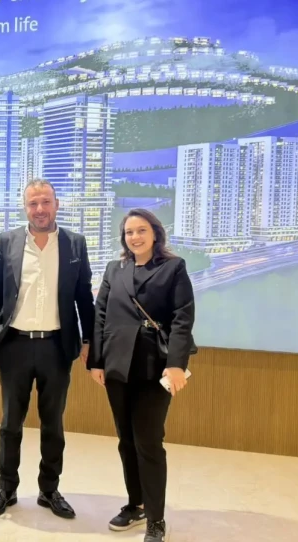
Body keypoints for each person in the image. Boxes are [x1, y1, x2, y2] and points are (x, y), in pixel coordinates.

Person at [0, 179, 94, 520]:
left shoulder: (75, 243)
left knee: (53, 424)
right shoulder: (8, 241)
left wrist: (88, 341)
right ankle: (6, 488)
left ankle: (49, 489)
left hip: (56, 347)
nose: (40, 209)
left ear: (56, 204)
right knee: (10, 424)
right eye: (33, 203)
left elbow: (84, 296)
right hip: (14, 345)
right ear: (25, 207)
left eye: (46, 202)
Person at [88, 208, 195, 542]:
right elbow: (101, 315)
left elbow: (182, 318)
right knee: (126, 440)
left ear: (155, 233)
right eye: (129, 232)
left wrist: (176, 364)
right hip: (117, 366)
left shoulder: (173, 267)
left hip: (154, 367)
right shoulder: (114, 269)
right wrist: (96, 361)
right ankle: (136, 504)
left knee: (148, 442)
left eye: (141, 230)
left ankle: (156, 518)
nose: (135, 237)